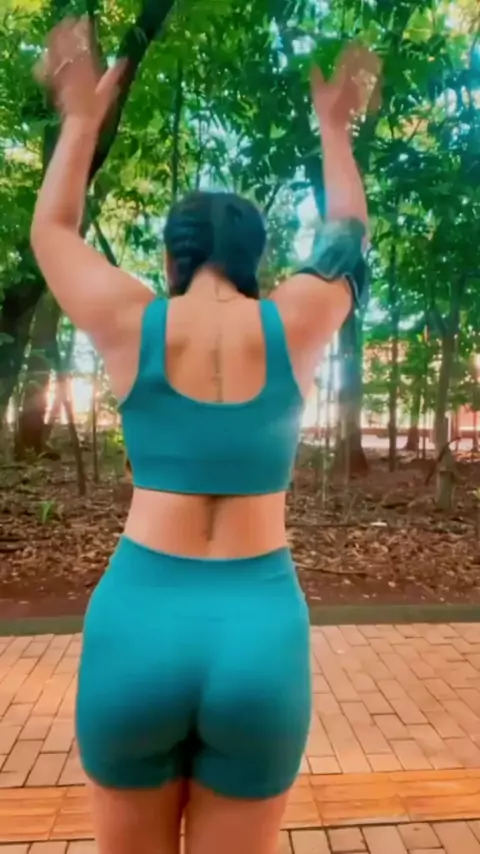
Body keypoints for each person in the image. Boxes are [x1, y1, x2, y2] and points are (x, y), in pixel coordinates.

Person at [31, 17, 380, 854]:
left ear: (172, 257)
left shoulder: (131, 321)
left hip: (138, 624)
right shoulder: (295, 321)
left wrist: (81, 121)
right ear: (256, 259)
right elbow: (350, 236)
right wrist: (335, 127)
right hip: (260, 633)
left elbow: (53, 233)